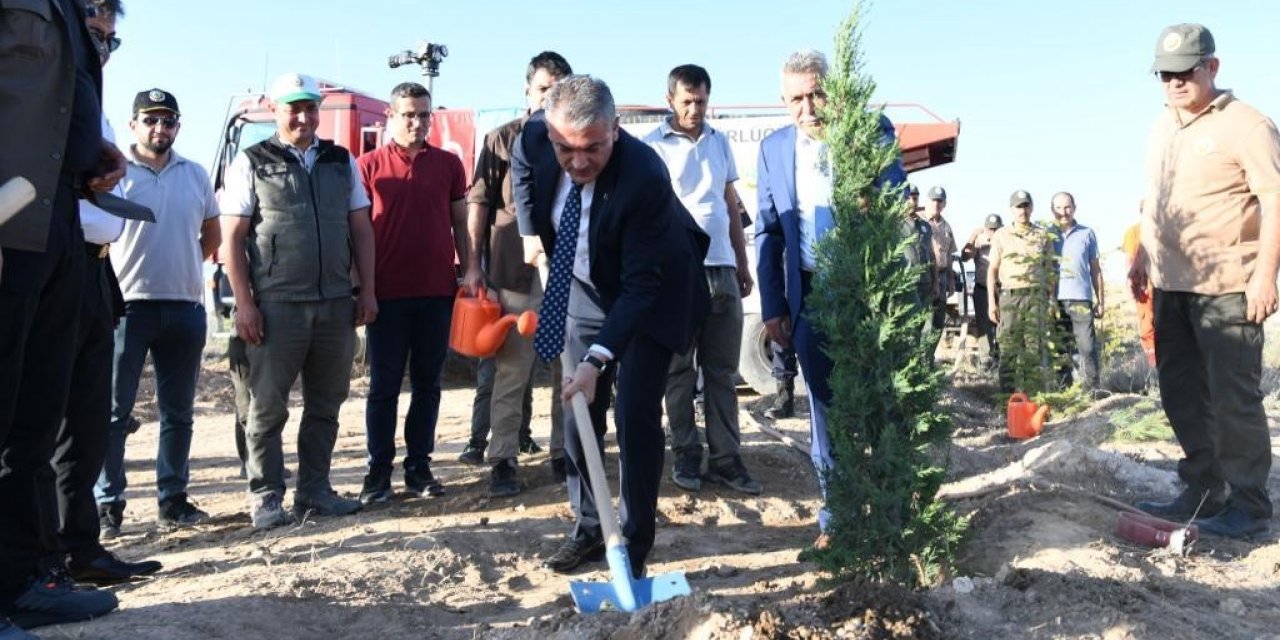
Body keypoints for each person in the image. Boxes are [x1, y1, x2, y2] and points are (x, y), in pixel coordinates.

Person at [522, 75, 710, 576]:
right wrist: (528, 231)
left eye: (593, 148)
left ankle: (632, 544)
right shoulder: (534, 140)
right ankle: (589, 529)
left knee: (634, 413)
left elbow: (641, 288)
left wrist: (597, 359)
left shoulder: (644, 176)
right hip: (583, 284)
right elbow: (525, 176)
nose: (578, 162)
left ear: (617, 130)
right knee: (577, 409)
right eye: (566, 149)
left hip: (654, 292)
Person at [0, 0, 127, 631]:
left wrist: (90, 152)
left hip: (56, 227)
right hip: (4, 224)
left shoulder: (73, 16)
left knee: (32, 425)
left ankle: (24, 582)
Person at [1130, 23, 1280, 539]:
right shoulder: (1161, 126)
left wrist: (1265, 275)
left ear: (1211, 67)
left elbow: (1274, 199)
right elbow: (1157, 197)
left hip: (1228, 288)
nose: (1173, 83)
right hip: (1171, 285)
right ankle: (1203, 487)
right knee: (1180, 392)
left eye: (1184, 72)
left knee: (1232, 395)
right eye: (1164, 74)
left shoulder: (1247, 125)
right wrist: (1141, 253)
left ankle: (1249, 505)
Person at [755, 50, 906, 548]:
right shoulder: (774, 150)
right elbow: (769, 233)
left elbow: (893, 198)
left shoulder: (871, 130)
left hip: (868, 291)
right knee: (824, 407)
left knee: (882, 402)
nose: (809, 106)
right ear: (784, 101)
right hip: (810, 292)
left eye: (817, 93)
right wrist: (774, 306)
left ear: (834, 91)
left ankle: (893, 509)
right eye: (796, 98)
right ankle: (837, 517)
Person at [220, 72, 377, 529]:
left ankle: (315, 490)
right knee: (266, 407)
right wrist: (244, 304)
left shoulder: (339, 160)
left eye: (310, 107)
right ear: (275, 108)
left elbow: (361, 228)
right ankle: (267, 496)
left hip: (333, 303)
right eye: (294, 107)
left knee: (326, 403)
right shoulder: (251, 162)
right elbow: (232, 238)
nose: (303, 116)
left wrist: (366, 290)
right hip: (276, 304)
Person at [50, 0, 163, 586]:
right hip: (52, 268)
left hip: (98, 274)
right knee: (42, 422)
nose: (101, 47)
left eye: (110, 39)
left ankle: (82, 549)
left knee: (88, 422)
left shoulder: (99, 114)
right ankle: (41, 559)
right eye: (93, 33)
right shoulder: (44, 100)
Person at [94, 88, 221, 532]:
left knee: (178, 412)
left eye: (167, 121)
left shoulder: (195, 174)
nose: (159, 129)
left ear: (178, 127)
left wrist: (180, 268)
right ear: (133, 126)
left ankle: (173, 499)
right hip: (128, 308)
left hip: (185, 307)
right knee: (112, 412)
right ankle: (108, 505)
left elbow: (212, 235)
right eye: (150, 120)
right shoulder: (115, 173)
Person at [642, 64, 760, 496]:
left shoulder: (720, 142)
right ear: (670, 99)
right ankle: (686, 454)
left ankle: (726, 459)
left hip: (723, 269)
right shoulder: (650, 147)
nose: (695, 109)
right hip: (676, 274)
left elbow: (730, 206)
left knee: (722, 372)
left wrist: (742, 265)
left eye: (702, 101)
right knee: (677, 370)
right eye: (687, 101)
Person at [461, 52, 573, 496]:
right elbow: (479, 205)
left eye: (559, 87)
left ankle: (564, 454)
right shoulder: (501, 140)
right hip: (514, 273)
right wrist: (473, 265)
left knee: (568, 368)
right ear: (528, 90)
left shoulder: (576, 139)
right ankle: (503, 458)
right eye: (544, 87)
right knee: (512, 371)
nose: (551, 95)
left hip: (567, 274)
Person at [354, 82, 466, 504]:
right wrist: (363, 289)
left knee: (427, 385)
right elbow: (356, 231)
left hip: (437, 292)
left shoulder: (449, 165)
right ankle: (377, 473)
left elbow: (461, 223)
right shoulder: (366, 167)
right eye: (409, 115)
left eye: (424, 114)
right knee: (383, 387)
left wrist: (469, 270)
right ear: (390, 116)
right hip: (386, 294)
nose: (418, 122)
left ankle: (419, 467)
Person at [987, 191, 1054, 392]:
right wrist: (992, 302)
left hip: (1036, 297)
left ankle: (1031, 401)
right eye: (1018, 206)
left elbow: (1049, 269)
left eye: (1026, 206)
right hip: (1010, 297)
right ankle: (1006, 403)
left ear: (1031, 208)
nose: (1022, 210)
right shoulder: (1001, 235)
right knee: (1008, 350)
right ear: (1011, 210)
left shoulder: (1042, 235)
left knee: (1034, 350)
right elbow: (992, 269)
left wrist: (1050, 302)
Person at [1050, 192, 1103, 389]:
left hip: (1081, 299)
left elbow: (1096, 270)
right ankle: (1065, 389)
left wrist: (1101, 300)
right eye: (1058, 208)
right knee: (1062, 349)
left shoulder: (1087, 233)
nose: (1063, 212)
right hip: (1056, 301)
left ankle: (1093, 390)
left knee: (1087, 347)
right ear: (1052, 210)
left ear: (1074, 207)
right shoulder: (1047, 235)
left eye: (1067, 207)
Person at [961, 213, 1003, 360]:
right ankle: (986, 359)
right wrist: (972, 237)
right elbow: (965, 257)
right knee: (983, 326)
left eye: (996, 229)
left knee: (1002, 325)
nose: (993, 232)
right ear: (985, 229)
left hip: (1001, 289)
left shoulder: (1005, 239)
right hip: (982, 288)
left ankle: (1001, 358)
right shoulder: (979, 240)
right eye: (990, 229)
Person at [1121, 203, 1155, 368]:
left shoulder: (1164, 229)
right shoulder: (1133, 232)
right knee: (1147, 326)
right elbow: (1129, 260)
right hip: (1143, 285)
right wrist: (1131, 280)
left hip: (1164, 285)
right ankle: (1152, 367)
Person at [924, 186, 957, 331]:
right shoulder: (921, 221)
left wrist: (951, 280)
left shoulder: (947, 227)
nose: (936, 204)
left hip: (942, 275)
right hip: (925, 275)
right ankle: (920, 353)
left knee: (938, 319)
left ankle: (930, 353)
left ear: (944, 204)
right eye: (934, 200)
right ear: (928, 201)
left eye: (939, 201)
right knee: (924, 318)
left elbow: (949, 254)